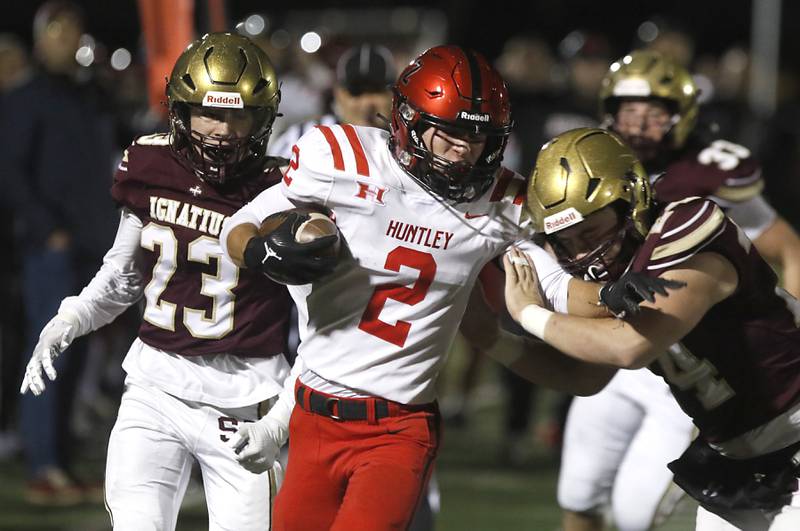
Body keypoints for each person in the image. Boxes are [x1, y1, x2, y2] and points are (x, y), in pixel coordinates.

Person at [219, 45, 618, 531]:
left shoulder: (501, 205)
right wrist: (262, 253)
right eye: (450, 131)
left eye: (478, 136)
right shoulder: (342, 159)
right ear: (409, 121)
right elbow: (242, 222)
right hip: (310, 414)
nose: (465, 149)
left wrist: (620, 297)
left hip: (397, 427)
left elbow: (560, 288)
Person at [19, 32, 292, 530]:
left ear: (264, 117)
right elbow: (124, 275)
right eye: (209, 112)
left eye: (237, 115)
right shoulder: (152, 165)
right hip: (155, 387)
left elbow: (321, 328)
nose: (222, 131)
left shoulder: (287, 189)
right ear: (180, 112)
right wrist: (73, 315)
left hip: (245, 398)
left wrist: (281, 419)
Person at [552, 50, 800, 531]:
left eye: (654, 112)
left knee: (633, 514)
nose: (640, 124)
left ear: (682, 116)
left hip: (685, 347)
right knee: (579, 492)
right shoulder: (587, 171)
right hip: (625, 342)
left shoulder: (705, 179)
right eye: (629, 111)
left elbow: (788, 247)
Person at [0, 0, 119, 504]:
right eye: (57, 31)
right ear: (40, 37)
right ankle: (43, 464)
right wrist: (46, 229)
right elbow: (9, 171)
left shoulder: (86, 96)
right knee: (46, 352)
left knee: (74, 356)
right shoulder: (25, 98)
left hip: (92, 244)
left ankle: (63, 461)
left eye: (73, 30)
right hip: (51, 249)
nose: (67, 40)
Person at [268, 42, 396, 159]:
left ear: (394, 95)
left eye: (377, 91)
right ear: (338, 94)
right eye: (356, 91)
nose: (366, 102)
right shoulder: (301, 138)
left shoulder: (408, 143)